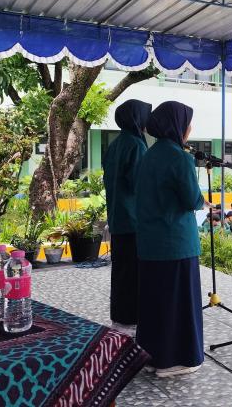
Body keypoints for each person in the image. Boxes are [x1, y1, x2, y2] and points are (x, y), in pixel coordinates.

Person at [135, 101, 205, 377]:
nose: (190, 128)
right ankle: (176, 360)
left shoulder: (148, 155)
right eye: (187, 122)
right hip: (176, 244)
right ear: (177, 125)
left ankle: (153, 358)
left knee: (155, 302)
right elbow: (192, 200)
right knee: (179, 303)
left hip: (150, 243)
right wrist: (201, 200)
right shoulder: (180, 158)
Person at [102, 99, 151, 336]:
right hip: (133, 220)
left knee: (121, 271)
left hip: (117, 217)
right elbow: (140, 185)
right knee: (134, 272)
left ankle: (120, 316)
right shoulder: (137, 145)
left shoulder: (115, 144)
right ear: (137, 118)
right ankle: (132, 317)